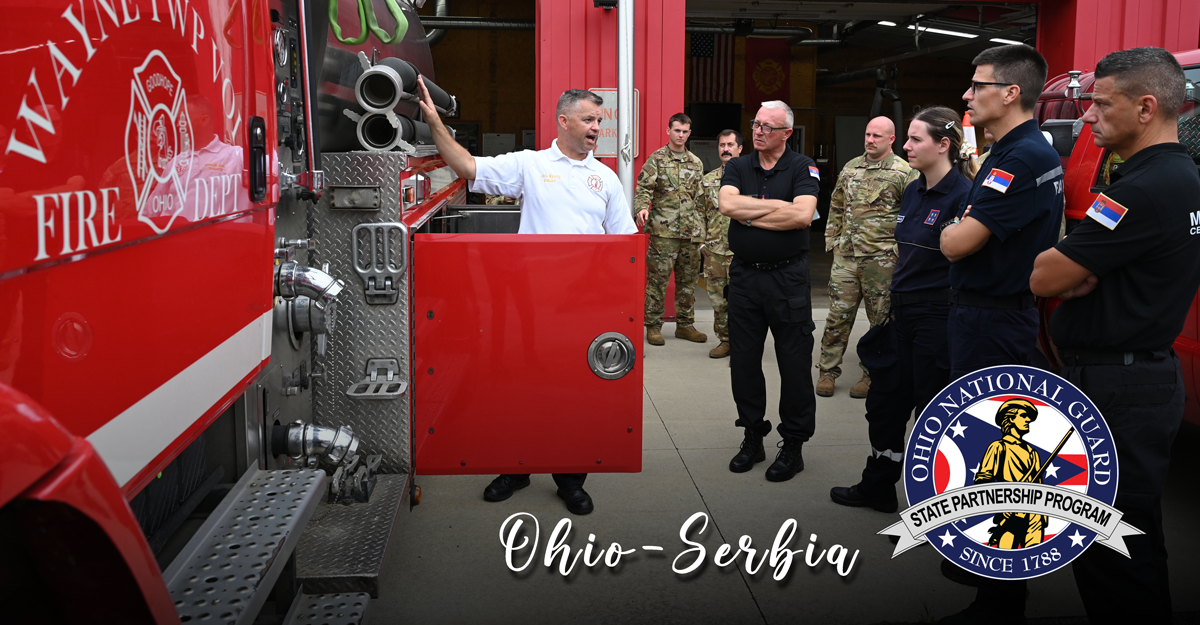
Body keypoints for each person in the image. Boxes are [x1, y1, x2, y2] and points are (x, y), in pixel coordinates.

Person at [1030, 47, 1200, 625]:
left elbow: (1045, 274)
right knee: (1134, 539)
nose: (1087, 117)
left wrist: (1068, 268)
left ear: (1146, 107)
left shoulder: (1140, 192)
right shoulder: (1182, 178)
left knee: (1110, 550)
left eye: (1102, 104)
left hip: (1116, 387)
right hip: (1136, 379)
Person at [416, 78, 638, 515]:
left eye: (600, 120)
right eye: (589, 119)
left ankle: (570, 477)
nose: (597, 127)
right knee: (518, 387)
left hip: (581, 309)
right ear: (564, 120)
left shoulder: (605, 178)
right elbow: (467, 167)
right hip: (530, 305)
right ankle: (513, 469)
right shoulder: (531, 165)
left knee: (573, 393)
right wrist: (434, 122)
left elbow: (623, 245)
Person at [936, 44, 1064, 625]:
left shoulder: (1018, 158)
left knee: (998, 468)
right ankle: (984, 571)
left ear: (1010, 93)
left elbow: (956, 242)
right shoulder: (1016, 151)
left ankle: (1001, 598)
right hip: (991, 314)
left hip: (992, 318)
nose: (967, 94)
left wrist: (957, 224)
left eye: (977, 83)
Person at [830, 106, 974, 512]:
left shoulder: (963, 196)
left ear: (943, 145)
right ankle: (877, 486)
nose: (906, 146)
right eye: (906, 138)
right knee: (885, 405)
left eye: (915, 139)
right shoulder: (914, 191)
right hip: (901, 314)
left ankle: (931, 510)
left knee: (932, 417)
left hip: (937, 317)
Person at [718, 101, 819, 482]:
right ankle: (752, 435)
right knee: (743, 360)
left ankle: (793, 444)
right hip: (744, 278)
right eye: (755, 125)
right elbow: (727, 204)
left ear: (786, 133)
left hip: (787, 279)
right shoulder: (738, 165)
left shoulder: (802, 166)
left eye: (767, 127)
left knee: (794, 363)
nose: (757, 132)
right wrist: (777, 206)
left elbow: (802, 216)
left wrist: (751, 212)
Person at [816, 117, 914, 399]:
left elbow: (911, 216)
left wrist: (897, 251)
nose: (870, 140)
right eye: (868, 134)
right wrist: (833, 240)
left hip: (881, 261)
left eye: (877, 136)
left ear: (891, 139)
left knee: (880, 320)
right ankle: (827, 371)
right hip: (847, 257)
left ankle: (872, 374)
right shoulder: (850, 167)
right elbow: (836, 204)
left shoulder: (904, 172)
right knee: (838, 316)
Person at [635, 113, 708, 346]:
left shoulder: (696, 163)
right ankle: (653, 326)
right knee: (658, 281)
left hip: (689, 234)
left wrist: (703, 229)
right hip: (663, 233)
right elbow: (643, 188)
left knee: (688, 282)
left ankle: (685, 326)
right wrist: (641, 208)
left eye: (685, 131)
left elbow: (701, 198)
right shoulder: (656, 159)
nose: (681, 135)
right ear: (668, 131)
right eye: (677, 130)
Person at [975, 399, 1048, 549]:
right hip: (1011, 514)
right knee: (1005, 556)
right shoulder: (998, 447)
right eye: (1023, 415)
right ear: (1010, 418)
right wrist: (1002, 505)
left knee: (1032, 559)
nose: (1028, 420)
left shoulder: (1032, 452)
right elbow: (983, 481)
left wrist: (1043, 515)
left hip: (1035, 515)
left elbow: (1039, 485)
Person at [697, 129, 743, 358]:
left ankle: (744, 344)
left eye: (730, 145)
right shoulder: (708, 180)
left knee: (744, 301)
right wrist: (701, 244)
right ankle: (725, 341)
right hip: (714, 252)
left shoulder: (751, 177)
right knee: (718, 301)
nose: (726, 149)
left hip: (742, 253)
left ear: (740, 148)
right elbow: (698, 213)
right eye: (722, 145)